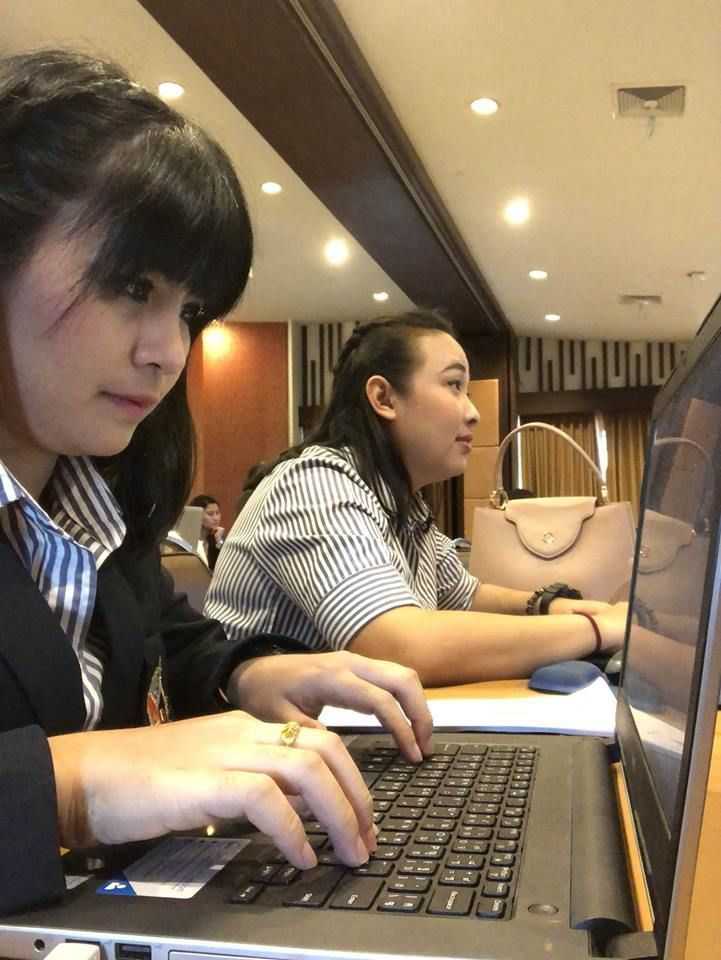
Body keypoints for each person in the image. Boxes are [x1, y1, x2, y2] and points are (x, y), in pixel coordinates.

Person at [0, 49, 433, 917]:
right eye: (132, 286)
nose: (168, 352)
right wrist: (70, 784)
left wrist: (252, 675)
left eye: (190, 312)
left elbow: (166, 645)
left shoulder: (98, 498)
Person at [207, 312, 629, 685]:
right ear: (384, 398)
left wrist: (557, 607)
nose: (473, 412)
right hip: (256, 740)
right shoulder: (315, 484)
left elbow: (465, 595)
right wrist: (598, 629)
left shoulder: (402, 503)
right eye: (454, 385)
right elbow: (399, 647)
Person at [189, 493, 224, 569]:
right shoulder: (188, 539)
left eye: (217, 513)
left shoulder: (217, 538)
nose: (216, 518)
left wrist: (219, 541)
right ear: (197, 515)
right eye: (210, 514)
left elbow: (226, 562)